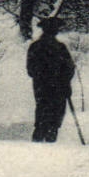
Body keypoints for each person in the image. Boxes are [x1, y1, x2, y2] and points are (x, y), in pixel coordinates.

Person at [26, 15, 75, 143]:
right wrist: (63, 81)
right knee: (54, 117)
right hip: (57, 88)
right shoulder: (60, 48)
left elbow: (31, 70)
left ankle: (38, 142)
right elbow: (69, 69)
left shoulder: (35, 47)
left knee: (42, 113)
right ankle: (48, 144)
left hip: (42, 87)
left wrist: (42, 77)